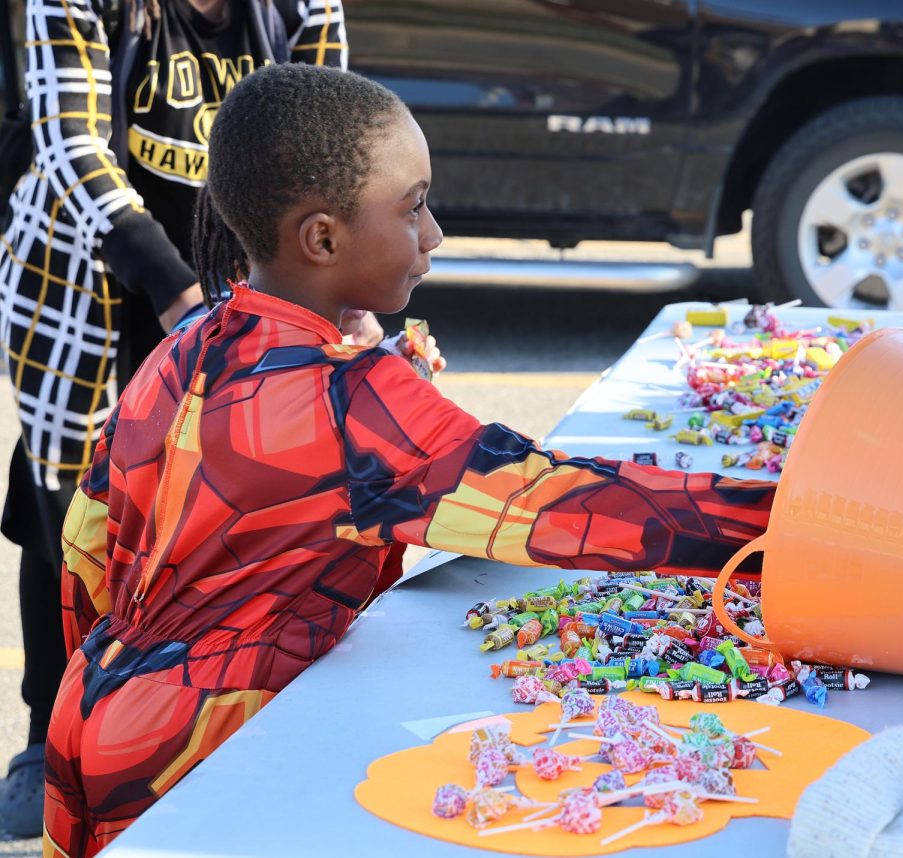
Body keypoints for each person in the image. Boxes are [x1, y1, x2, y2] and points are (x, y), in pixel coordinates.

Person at [41, 63, 777, 856]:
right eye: (414, 207)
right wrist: (799, 515)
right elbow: (574, 507)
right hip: (217, 745)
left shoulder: (182, 348)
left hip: (92, 711)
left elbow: (86, 550)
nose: (434, 234)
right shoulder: (356, 400)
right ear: (323, 238)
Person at [0, 0, 347, 838]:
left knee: (233, 509)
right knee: (71, 511)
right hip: (87, 271)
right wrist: (172, 288)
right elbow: (71, 144)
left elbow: (336, 137)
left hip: (238, 270)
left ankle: (206, 736)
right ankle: (52, 740)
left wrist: (340, 282)